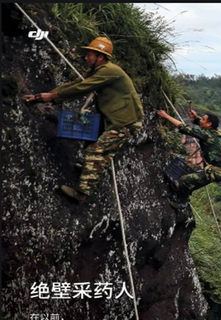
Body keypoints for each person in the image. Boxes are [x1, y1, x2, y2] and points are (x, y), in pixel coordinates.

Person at [22, 37, 144, 203]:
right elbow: (77, 83)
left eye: (90, 54)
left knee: (96, 152)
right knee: (98, 152)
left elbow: (81, 88)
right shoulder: (100, 71)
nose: (86, 57)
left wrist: (51, 96)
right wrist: (45, 96)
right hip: (118, 119)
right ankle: (88, 171)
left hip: (125, 122)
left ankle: (81, 194)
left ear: (100, 57)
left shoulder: (110, 71)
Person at [157, 108, 221, 197]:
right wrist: (195, 117)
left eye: (203, 119)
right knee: (189, 184)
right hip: (216, 171)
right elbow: (202, 125)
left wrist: (166, 116)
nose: (201, 120)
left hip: (214, 172)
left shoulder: (208, 135)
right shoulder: (216, 131)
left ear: (209, 124)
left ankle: (177, 199)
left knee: (182, 181)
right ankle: (182, 195)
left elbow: (185, 128)